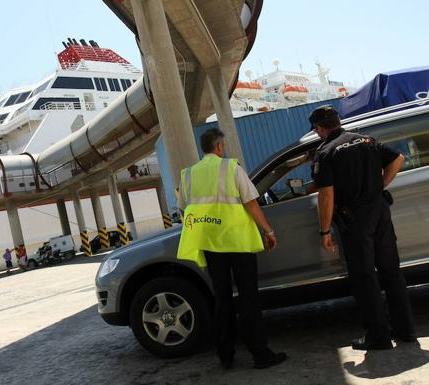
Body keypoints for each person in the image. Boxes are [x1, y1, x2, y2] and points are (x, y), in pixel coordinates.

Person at [177, 127, 286, 370]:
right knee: (248, 298)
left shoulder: (188, 175)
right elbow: (251, 203)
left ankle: (225, 356)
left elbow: (185, 210)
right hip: (238, 243)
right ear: (219, 147)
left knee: (222, 299)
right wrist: (268, 231)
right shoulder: (230, 168)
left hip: (211, 245)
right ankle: (260, 354)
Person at [310, 105, 416, 350]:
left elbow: (326, 194)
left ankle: (378, 337)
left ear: (319, 129)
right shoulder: (365, 139)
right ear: (337, 121)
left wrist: (324, 231)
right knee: (391, 271)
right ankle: (406, 330)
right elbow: (398, 158)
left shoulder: (326, 152)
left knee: (365, 277)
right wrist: (378, 186)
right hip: (379, 211)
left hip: (355, 219)